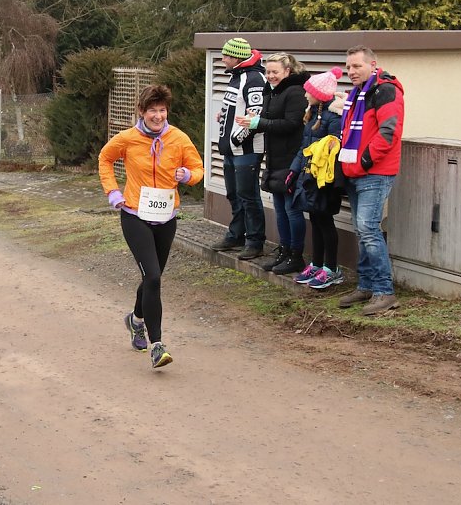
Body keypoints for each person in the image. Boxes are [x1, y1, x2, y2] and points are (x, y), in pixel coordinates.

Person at [98, 85, 204, 369]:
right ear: (142, 112)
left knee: (150, 279)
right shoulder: (127, 139)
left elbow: (199, 168)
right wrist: (113, 192)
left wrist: (188, 175)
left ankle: (135, 320)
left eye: (162, 110)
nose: (158, 116)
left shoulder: (178, 138)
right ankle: (157, 345)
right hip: (135, 215)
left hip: (166, 217)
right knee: (154, 277)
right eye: (152, 111)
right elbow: (105, 159)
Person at [337, 46, 404, 316]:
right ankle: (366, 286)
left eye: (357, 67)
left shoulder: (385, 90)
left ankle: (384, 291)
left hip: (374, 171)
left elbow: (389, 132)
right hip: (354, 171)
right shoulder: (357, 93)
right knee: (361, 228)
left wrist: (364, 160)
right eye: (349, 67)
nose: (351, 72)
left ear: (373, 65)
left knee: (368, 227)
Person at [236, 52, 309, 275]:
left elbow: (291, 123)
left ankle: (296, 254)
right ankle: (284, 251)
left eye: (275, 72)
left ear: (287, 71)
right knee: (279, 209)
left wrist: (261, 122)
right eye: (268, 72)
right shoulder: (271, 90)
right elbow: (268, 122)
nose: (270, 76)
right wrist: (253, 120)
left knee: (291, 209)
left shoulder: (295, 91)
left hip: (292, 159)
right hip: (275, 159)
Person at [288, 67, 347, 289]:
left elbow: (333, 151)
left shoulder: (334, 118)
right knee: (314, 219)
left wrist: (325, 179)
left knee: (325, 221)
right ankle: (317, 263)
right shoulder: (312, 113)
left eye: (308, 91)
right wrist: (295, 170)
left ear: (320, 95)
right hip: (310, 176)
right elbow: (305, 147)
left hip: (325, 180)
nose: (305, 95)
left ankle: (331, 268)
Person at [210, 37, 268, 260]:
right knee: (234, 194)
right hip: (230, 151)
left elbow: (255, 114)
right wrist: (224, 116)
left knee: (249, 195)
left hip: (246, 150)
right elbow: (237, 108)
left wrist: (235, 140)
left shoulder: (254, 79)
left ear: (237, 57)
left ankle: (255, 240)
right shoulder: (236, 77)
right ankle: (236, 235)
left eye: (226, 56)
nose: (223, 59)